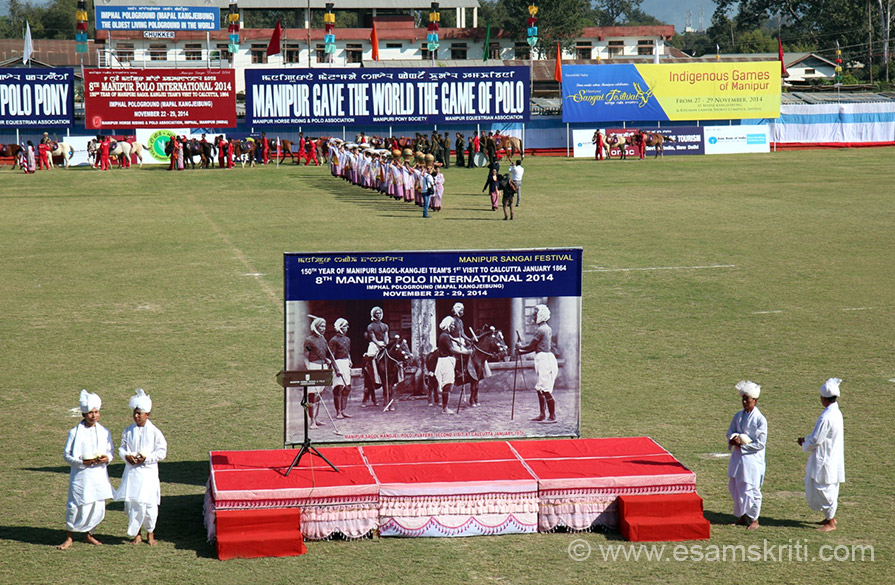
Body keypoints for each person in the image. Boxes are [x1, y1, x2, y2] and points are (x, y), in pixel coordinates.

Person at [58, 390, 114, 549]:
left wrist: (106, 458)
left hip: (98, 475)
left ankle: (89, 534)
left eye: (96, 412)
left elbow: (111, 452)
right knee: (75, 506)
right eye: (90, 413)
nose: (94, 415)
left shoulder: (104, 432)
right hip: (81, 476)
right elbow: (67, 455)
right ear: (84, 414)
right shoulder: (74, 432)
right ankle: (69, 536)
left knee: (96, 506)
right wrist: (83, 462)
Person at [115, 389, 168, 545]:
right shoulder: (128, 430)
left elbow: (161, 452)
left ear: (147, 415)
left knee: (149, 504)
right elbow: (121, 448)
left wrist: (147, 458)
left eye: (139, 413)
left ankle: (150, 533)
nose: (136, 416)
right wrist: (127, 456)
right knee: (133, 503)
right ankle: (136, 533)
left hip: (148, 474)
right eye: (135, 413)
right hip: (132, 473)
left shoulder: (155, 432)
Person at [798, 377, 845, 532]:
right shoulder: (836, 413)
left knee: (823, 488)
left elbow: (816, 440)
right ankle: (828, 517)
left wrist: (804, 443)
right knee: (825, 486)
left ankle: (830, 521)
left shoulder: (826, 417)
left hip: (825, 458)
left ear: (823, 398)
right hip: (830, 455)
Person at [727, 381, 766, 530]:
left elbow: (760, 443)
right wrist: (733, 438)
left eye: (747, 400)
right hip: (738, 458)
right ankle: (742, 516)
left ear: (755, 401)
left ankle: (754, 519)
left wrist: (743, 444)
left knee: (752, 488)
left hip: (752, 460)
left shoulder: (760, 420)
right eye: (743, 399)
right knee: (737, 486)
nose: (744, 402)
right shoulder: (738, 416)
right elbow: (729, 431)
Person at [516, 304, 558, 423]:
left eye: (535, 314)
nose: (534, 316)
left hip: (544, 359)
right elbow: (534, 347)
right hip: (542, 358)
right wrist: (521, 351)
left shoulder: (541, 330)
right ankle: (542, 414)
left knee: (544, 389)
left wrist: (520, 348)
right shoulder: (545, 328)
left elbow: (531, 346)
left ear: (541, 315)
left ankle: (552, 416)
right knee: (540, 388)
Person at [435, 316, 471, 414]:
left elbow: (452, 340)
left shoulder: (445, 335)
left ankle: (445, 407)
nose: (454, 327)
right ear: (447, 325)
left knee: (448, 384)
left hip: (446, 361)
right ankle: (445, 408)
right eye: (452, 325)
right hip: (445, 361)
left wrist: (458, 342)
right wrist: (465, 353)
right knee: (447, 384)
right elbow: (452, 350)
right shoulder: (445, 336)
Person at [304, 317, 330, 429]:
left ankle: (316, 418)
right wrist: (309, 368)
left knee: (320, 394)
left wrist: (326, 360)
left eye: (324, 326)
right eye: (321, 326)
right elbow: (305, 355)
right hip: (313, 367)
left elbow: (323, 353)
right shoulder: (309, 340)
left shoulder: (323, 339)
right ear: (316, 327)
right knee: (312, 395)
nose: (323, 328)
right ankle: (312, 421)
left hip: (323, 367)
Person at [362, 307, 389, 407]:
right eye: (376, 313)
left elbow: (386, 336)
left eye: (380, 313)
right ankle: (366, 370)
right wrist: (379, 344)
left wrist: (386, 344)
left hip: (383, 343)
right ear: (373, 315)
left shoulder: (385, 326)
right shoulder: (370, 326)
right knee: (370, 355)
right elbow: (373, 338)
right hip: (374, 344)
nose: (379, 315)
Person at [329, 318, 353, 419]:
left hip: (345, 363)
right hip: (338, 364)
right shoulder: (333, 340)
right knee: (338, 388)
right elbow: (332, 356)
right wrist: (336, 369)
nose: (347, 328)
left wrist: (350, 360)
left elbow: (347, 352)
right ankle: (338, 412)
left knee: (347, 388)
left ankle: (343, 410)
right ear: (340, 327)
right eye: (345, 326)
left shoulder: (347, 339)